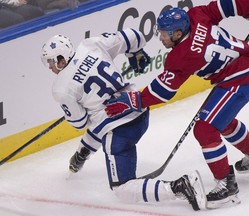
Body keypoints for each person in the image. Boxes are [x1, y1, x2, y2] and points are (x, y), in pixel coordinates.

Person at [105, 0, 249, 209]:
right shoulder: (197, 15)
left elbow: (163, 90)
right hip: (245, 67)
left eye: (164, 34)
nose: (161, 38)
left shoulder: (181, 56)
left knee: (205, 129)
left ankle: (227, 187)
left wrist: (136, 100)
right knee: (220, 120)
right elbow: (227, 4)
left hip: (239, 78)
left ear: (177, 34)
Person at [40, 29, 206, 210]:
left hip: (120, 132)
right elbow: (133, 36)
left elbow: (80, 123)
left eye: (50, 62)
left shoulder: (61, 88)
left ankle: (178, 187)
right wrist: (136, 53)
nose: (50, 67)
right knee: (101, 118)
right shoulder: (90, 45)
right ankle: (82, 154)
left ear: (61, 59)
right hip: (139, 111)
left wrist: (75, 106)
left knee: (121, 188)